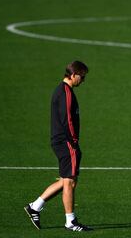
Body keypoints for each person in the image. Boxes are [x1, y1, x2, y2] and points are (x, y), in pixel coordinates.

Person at [24, 60, 93, 232]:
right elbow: (67, 120)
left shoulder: (63, 91)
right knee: (69, 181)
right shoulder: (65, 93)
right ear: (73, 75)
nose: (82, 81)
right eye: (81, 77)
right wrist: (74, 141)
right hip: (66, 141)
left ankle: (35, 206)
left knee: (66, 180)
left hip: (61, 141)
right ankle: (70, 221)